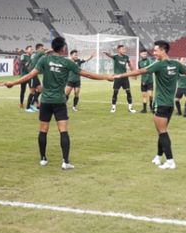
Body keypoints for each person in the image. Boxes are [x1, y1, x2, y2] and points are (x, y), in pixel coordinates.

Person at [6, 36, 113, 170]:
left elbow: (30, 75)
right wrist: (107, 77)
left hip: (45, 101)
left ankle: (43, 159)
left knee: (43, 130)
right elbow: (88, 75)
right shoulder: (67, 62)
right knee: (63, 131)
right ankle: (65, 161)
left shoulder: (44, 59)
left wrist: (13, 82)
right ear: (63, 49)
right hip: (59, 101)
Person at [113, 40, 186, 170]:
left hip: (160, 103)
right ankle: (158, 156)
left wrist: (120, 75)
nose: (154, 53)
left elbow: (139, 71)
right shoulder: (176, 64)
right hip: (169, 105)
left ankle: (170, 161)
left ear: (163, 50)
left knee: (162, 132)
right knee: (162, 132)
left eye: (156, 50)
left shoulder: (159, 65)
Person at [103, 44, 137, 114]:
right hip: (117, 78)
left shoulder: (126, 57)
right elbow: (110, 55)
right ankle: (113, 107)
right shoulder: (116, 57)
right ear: (118, 50)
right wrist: (106, 53)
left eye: (124, 49)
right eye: (122, 49)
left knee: (128, 92)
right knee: (115, 92)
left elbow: (130, 65)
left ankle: (130, 108)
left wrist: (133, 72)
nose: (124, 50)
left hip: (125, 77)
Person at [25, 43, 45, 113]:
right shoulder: (39, 53)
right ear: (39, 49)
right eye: (42, 48)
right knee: (32, 92)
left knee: (40, 89)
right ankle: (28, 107)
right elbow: (46, 54)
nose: (43, 50)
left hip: (34, 74)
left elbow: (28, 63)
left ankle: (32, 105)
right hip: (32, 75)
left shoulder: (34, 54)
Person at [137, 48, 154, 113]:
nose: (144, 55)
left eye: (145, 54)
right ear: (140, 54)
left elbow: (150, 71)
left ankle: (151, 107)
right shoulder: (139, 62)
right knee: (144, 95)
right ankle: (144, 109)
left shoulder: (149, 61)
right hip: (142, 81)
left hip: (149, 81)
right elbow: (140, 71)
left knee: (150, 95)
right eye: (143, 54)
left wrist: (145, 80)